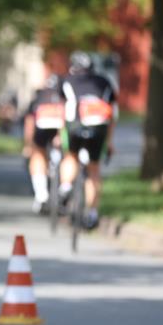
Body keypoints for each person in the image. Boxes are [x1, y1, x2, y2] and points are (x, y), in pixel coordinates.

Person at [59, 51, 117, 230]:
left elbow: (62, 110)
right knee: (94, 169)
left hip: (75, 126)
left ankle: (66, 187)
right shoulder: (105, 82)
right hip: (99, 128)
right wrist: (109, 142)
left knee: (71, 156)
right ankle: (92, 213)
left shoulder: (67, 81)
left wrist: (59, 135)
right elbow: (112, 115)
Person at [23, 74, 65, 214]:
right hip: (61, 128)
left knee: (37, 154)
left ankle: (41, 196)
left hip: (41, 127)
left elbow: (29, 123)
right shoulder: (65, 97)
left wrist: (29, 145)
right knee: (70, 156)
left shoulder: (38, 97)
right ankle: (64, 187)